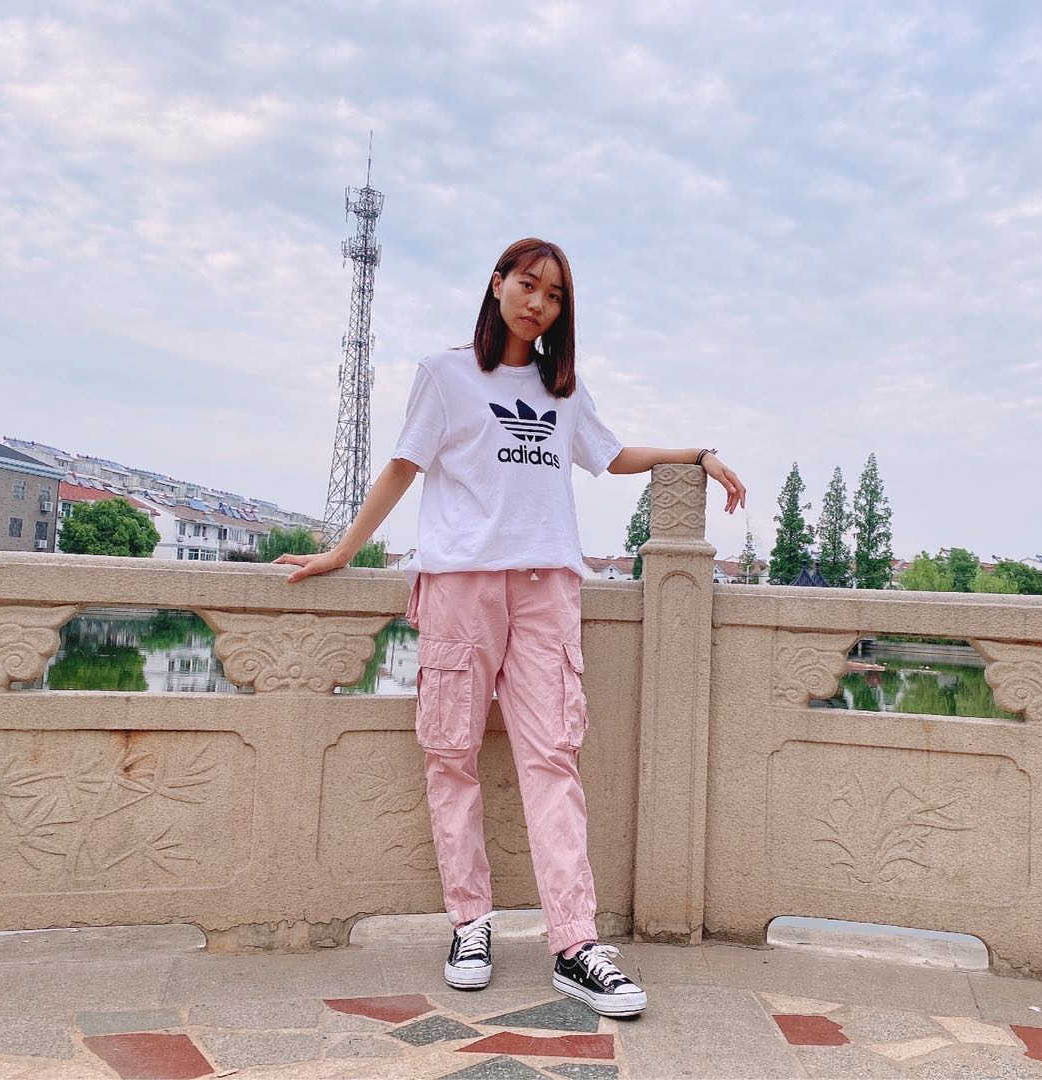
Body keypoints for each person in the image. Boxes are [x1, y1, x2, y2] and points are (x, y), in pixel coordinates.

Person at [278, 237, 745, 1018]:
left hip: (545, 588)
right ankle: (470, 924)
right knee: (450, 755)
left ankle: (574, 945)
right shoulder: (445, 374)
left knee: (553, 758)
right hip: (460, 585)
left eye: (555, 295)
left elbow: (610, 454)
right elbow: (403, 465)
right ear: (497, 285)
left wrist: (697, 453)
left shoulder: (562, 388)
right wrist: (342, 551)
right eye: (528, 285)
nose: (539, 304)